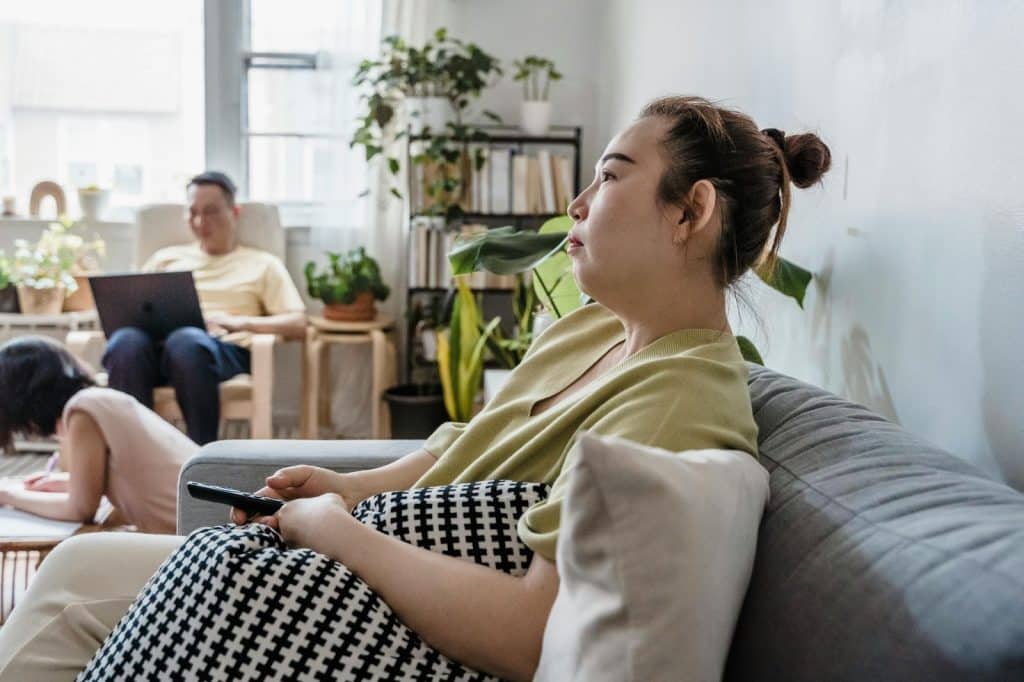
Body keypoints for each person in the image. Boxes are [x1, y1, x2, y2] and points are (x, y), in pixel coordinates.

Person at [0, 96, 831, 681]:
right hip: (371, 562)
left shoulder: (683, 396)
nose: (575, 203)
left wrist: (340, 532)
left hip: (393, 613)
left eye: (609, 177)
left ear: (690, 214)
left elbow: (528, 631)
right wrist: (352, 486)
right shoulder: (593, 325)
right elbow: (459, 448)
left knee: (76, 581)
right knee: (77, 568)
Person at [102, 171, 307, 444]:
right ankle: (132, 454)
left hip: (219, 350)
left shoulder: (262, 263)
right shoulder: (166, 259)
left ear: (234, 211)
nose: (200, 222)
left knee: (187, 341)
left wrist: (239, 322)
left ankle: (200, 456)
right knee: (124, 343)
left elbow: (298, 323)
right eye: (193, 213)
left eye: (210, 212)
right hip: (157, 348)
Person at [0, 336, 197, 534]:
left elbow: (80, 509)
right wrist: (69, 482)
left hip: (192, 539)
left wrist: (8, 496)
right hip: (207, 523)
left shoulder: (82, 411)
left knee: (69, 558)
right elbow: (140, 474)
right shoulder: (102, 399)